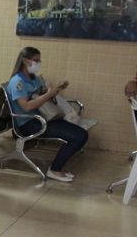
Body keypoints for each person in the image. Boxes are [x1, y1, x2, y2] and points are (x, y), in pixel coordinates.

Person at [7, 46, 87, 182]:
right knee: (79, 136)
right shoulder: (17, 82)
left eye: (39, 61)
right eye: (36, 61)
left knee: (81, 133)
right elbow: (26, 107)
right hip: (28, 123)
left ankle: (56, 168)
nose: (38, 64)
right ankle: (55, 170)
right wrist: (49, 94)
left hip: (42, 118)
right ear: (26, 61)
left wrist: (55, 89)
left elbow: (43, 95)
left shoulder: (34, 79)